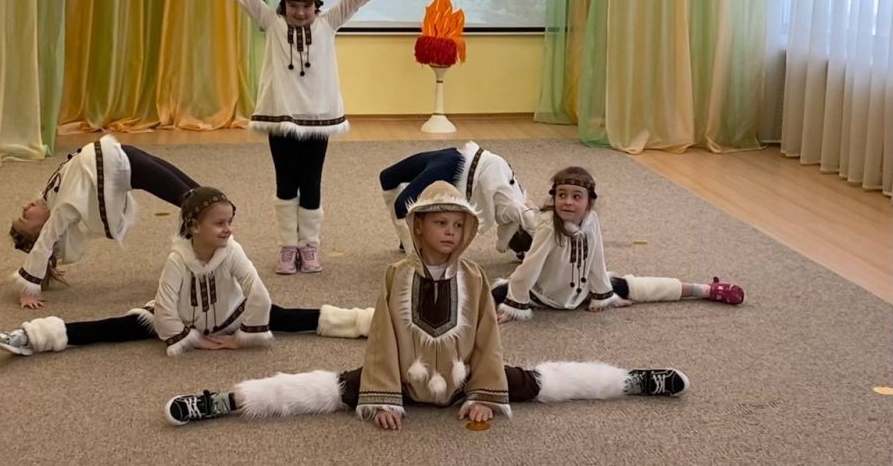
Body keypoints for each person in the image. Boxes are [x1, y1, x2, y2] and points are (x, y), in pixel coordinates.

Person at [162, 182, 690, 428]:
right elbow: (384, 339)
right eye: (440, 223)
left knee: (542, 382)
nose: (450, 232)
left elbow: (487, 339)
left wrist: (484, 394)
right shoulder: (396, 275)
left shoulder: (476, 276)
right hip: (400, 378)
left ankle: (632, 381)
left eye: (458, 225)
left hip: (465, 376)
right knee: (324, 389)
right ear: (418, 227)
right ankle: (224, 402)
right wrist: (384, 397)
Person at [185, 0, 414, 275]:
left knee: (311, 184)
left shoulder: (328, 22)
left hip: (319, 121)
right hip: (280, 119)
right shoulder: (272, 22)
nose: (301, 12)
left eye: (306, 6)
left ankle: (309, 246)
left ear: (315, 5)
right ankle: (287, 246)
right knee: (285, 183)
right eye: (294, 5)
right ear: (284, 3)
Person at [0, 188, 373, 357]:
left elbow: (257, 293)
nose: (227, 230)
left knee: (294, 318)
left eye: (229, 222)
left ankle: (369, 321)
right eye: (219, 223)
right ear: (193, 227)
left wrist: (242, 339)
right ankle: (35, 337)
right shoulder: (177, 259)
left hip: (232, 313)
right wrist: (188, 338)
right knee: (112, 328)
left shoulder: (233, 251)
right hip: (181, 317)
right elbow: (165, 305)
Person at [495, 167, 745, 323]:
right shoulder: (549, 226)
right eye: (562, 195)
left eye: (576, 197)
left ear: (590, 202)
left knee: (632, 286)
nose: (568, 202)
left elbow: (596, 260)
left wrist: (603, 294)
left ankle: (706, 289)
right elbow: (530, 267)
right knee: (490, 296)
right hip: (542, 294)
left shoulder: (591, 221)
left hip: (582, 289)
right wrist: (515, 304)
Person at [9, 135, 201, 309]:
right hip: (131, 166)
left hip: (125, 152)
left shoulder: (50, 197)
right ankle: (207, 258)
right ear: (41, 228)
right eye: (25, 217)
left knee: (200, 196)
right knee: (197, 204)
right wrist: (29, 289)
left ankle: (208, 251)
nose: (25, 207)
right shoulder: (63, 209)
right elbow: (44, 244)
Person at [379, 141, 538, 257]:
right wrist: (541, 248)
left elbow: (526, 217)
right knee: (391, 185)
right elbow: (529, 220)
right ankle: (408, 243)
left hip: (454, 157)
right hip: (455, 165)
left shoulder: (517, 199)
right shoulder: (510, 209)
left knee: (396, 194)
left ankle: (414, 258)